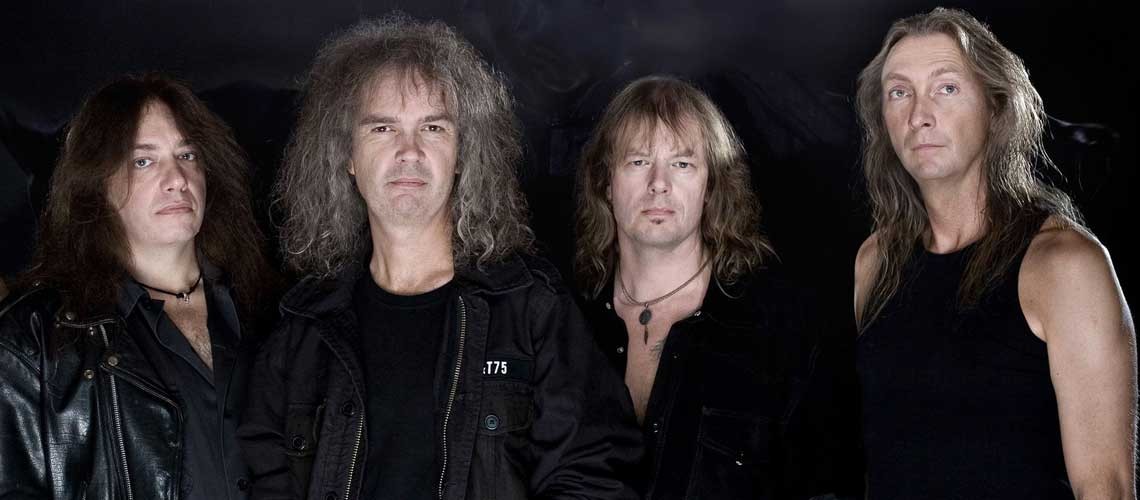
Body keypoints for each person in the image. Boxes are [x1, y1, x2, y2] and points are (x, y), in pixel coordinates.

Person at [238, 16, 642, 500]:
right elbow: (267, 479)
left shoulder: (533, 311)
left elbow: (592, 474)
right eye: (382, 128)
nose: (408, 151)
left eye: (432, 127)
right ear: (348, 157)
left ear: (462, 155)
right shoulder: (301, 331)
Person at [853, 7, 1137, 499]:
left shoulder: (1063, 265)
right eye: (899, 92)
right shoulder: (876, 261)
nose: (918, 115)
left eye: (946, 88)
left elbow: (1105, 487)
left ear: (996, 107)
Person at [574, 75, 860, 499]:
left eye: (682, 164)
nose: (658, 183)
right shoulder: (564, 323)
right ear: (605, 182)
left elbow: (828, 488)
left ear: (710, 186)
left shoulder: (785, 330)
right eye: (638, 161)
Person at [0, 73, 278, 499]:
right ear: (96, 184)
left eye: (187, 155)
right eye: (143, 161)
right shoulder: (33, 338)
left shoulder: (273, 311)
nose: (177, 179)